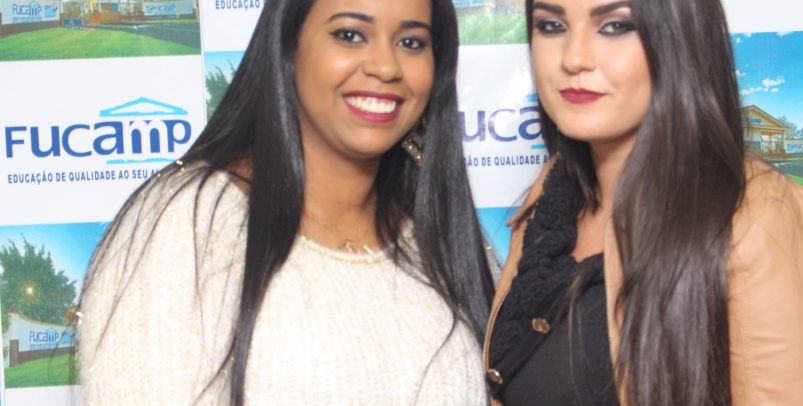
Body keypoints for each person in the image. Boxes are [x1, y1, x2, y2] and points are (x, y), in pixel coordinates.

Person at [77, 0, 495, 403]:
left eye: (411, 42)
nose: (386, 67)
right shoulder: (188, 223)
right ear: (288, 43)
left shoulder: (441, 233)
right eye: (350, 35)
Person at [483, 0, 803, 405]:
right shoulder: (549, 203)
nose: (573, 58)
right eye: (552, 26)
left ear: (679, 34)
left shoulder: (757, 216)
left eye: (615, 26)